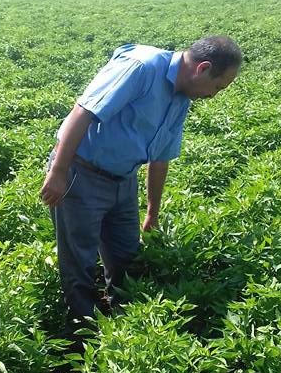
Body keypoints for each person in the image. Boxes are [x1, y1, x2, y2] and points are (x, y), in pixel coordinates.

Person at [40, 35, 242, 321]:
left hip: (123, 179)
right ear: (203, 68)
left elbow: (160, 157)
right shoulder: (141, 67)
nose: (214, 95)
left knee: (127, 259)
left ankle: (125, 327)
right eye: (217, 87)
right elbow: (82, 112)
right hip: (81, 173)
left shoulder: (182, 97)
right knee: (80, 263)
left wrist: (152, 212)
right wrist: (59, 172)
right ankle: (83, 336)